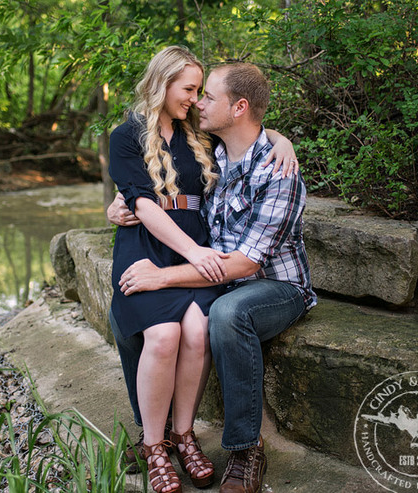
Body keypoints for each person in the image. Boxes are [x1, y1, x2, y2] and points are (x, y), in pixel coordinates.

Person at [109, 62, 316, 493]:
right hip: (187, 259)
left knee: (216, 319)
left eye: (205, 93)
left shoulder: (258, 162)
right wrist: (117, 205)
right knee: (148, 327)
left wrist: (283, 141)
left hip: (258, 278)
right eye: (193, 91)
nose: (198, 101)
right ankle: (156, 440)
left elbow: (246, 263)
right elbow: (144, 188)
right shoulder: (208, 147)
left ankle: (230, 444)